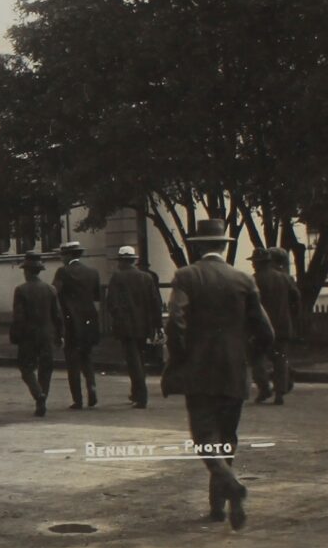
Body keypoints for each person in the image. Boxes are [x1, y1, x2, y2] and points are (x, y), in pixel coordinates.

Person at [163, 218, 273, 530]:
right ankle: (218, 507)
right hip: (234, 372)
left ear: (198, 245)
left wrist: (182, 355)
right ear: (224, 246)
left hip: (199, 371)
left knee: (204, 439)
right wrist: (249, 354)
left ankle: (231, 484)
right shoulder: (242, 279)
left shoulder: (187, 276)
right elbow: (266, 331)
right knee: (227, 439)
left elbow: (176, 321)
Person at [105, 246, 163, 409]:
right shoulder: (146, 277)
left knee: (133, 361)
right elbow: (155, 303)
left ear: (122, 261)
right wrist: (157, 325)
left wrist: (118, 318)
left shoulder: (117, 277)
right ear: (134, 260)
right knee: (141, 359)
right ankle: (136, 393)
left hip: (126, 326)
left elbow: (111, 302)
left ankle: (140, 395)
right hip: (144, 325)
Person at [11, 252, 63, 416]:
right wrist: (60, 335)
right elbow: (57, 315)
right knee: (46, 368)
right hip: (47, 334)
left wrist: (15, 335)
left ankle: (38, 393)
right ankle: (42, 400)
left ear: (26, 271)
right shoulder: (50, 289)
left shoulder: (21, 290)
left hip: (28, 335)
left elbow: (18, 316)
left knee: (26, 368)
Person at [53, 241, 101, 409]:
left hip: (71, 321)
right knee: (87, 357)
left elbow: (55, 294)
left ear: (67, 255)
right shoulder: (93, 273)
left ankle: (77, 399)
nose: (61, 258)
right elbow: (97, 297)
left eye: (62, 255)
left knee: (72, 361)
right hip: (89, 321)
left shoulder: (62, 272)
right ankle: (92, 386)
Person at [248, 248, 299, 404]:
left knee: (257, 360)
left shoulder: (252, 280)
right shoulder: (285, 278)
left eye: (254, 263)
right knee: (280, 360)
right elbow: (296, 299)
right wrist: (290, 315)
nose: (253, 266)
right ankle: (280, 393)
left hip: (260, 328)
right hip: (282, 325)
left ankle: (264, 389)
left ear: (257, 264)